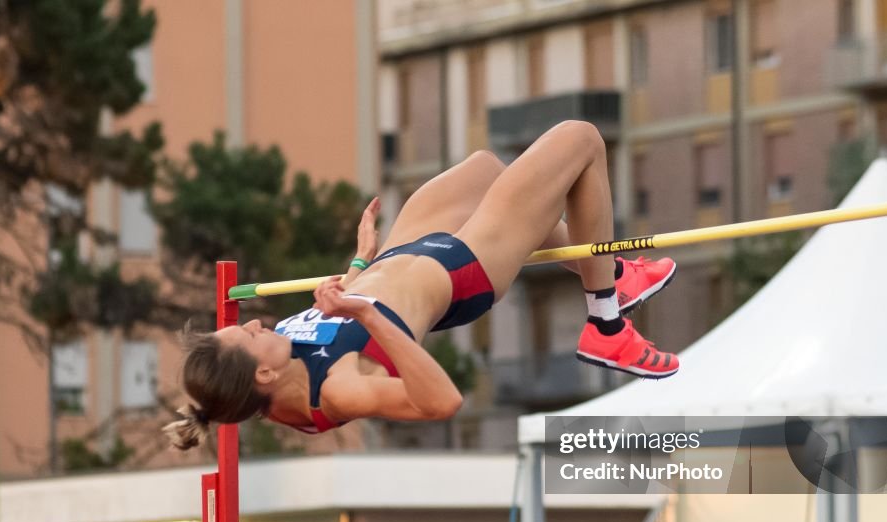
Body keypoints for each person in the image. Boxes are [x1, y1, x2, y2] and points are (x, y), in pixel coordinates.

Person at [165, 121, 679, 445]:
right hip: (463, 269)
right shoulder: (339, 393)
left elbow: (334, 323)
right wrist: (365, 311)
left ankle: (609, 274)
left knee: (485, 169)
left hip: (400, 253)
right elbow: (441, 402)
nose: (254, 321)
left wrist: (359, 267)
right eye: (250, 336)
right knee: (580, 140)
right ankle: (607, 326)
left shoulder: (277, 368)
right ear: (265, 378)